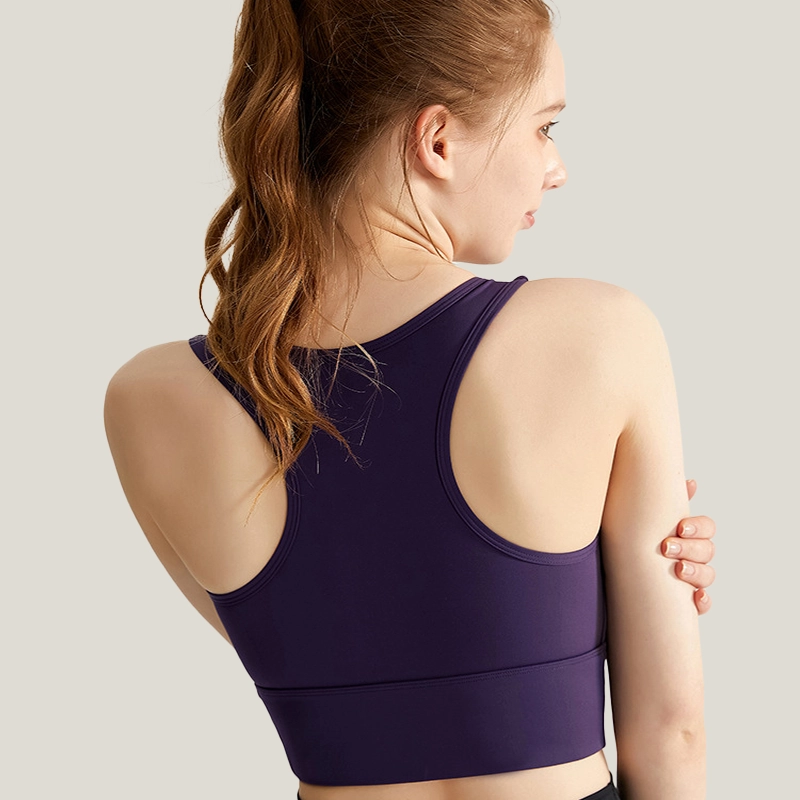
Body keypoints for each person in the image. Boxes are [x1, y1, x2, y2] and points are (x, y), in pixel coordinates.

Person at [104, 2, 714, 798]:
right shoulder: (598, 335)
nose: (556, 167)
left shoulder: (147, 401)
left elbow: (342, 652)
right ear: (437, 140)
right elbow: (673, 734)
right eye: (544, 127)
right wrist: (598, 590)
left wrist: (560, 595)